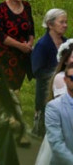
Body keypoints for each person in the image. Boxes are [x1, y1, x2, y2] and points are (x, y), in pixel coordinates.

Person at [0, 0, 35, 91]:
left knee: (16, 87)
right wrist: (20, 46)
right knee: (4, 87)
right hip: (5, 55)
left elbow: (31, 29)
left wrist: (29, 44)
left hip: (22, 55)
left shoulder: (26, 6)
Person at [31, 9, 66, 137]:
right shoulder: (42, 45)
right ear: (50, 24)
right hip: (45, 91)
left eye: (66, 22)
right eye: (61, 22)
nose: (65, 25)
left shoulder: (66, 43)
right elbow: (37, 71)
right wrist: (57, 75)